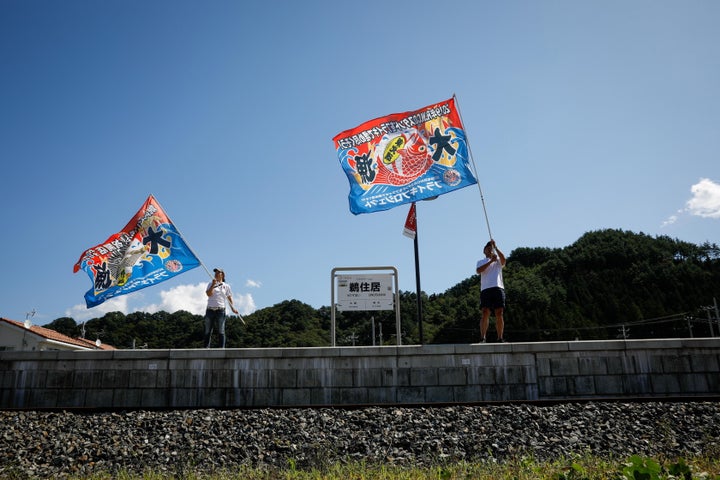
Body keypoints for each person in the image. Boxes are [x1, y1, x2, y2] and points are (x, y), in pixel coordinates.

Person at [476, 239, 506, 343]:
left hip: (498, 287)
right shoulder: (481, 261)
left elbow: (504, 260)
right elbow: (479, 270)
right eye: (487, 248)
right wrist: (491, 261)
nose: (489, 249)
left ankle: (500, 337)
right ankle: (483, 337)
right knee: (485, 312)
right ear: (484, 251)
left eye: (491, 247)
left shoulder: (497, 260)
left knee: (499, 312)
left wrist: (496, 248)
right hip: (486, 289)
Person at [204, 267, 239, 348]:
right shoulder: (210, 284)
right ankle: (206, 348)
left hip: (220, 310)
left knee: (221, 331)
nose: (216, 274)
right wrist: (213, 284)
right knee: (207, 331)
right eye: (215, 272)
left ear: (222, 275)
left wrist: (233, 308)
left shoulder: (226, 286)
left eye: (218, 272)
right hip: (210, 309)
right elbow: (209, 294)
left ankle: (221, 348)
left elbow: (229, 298)